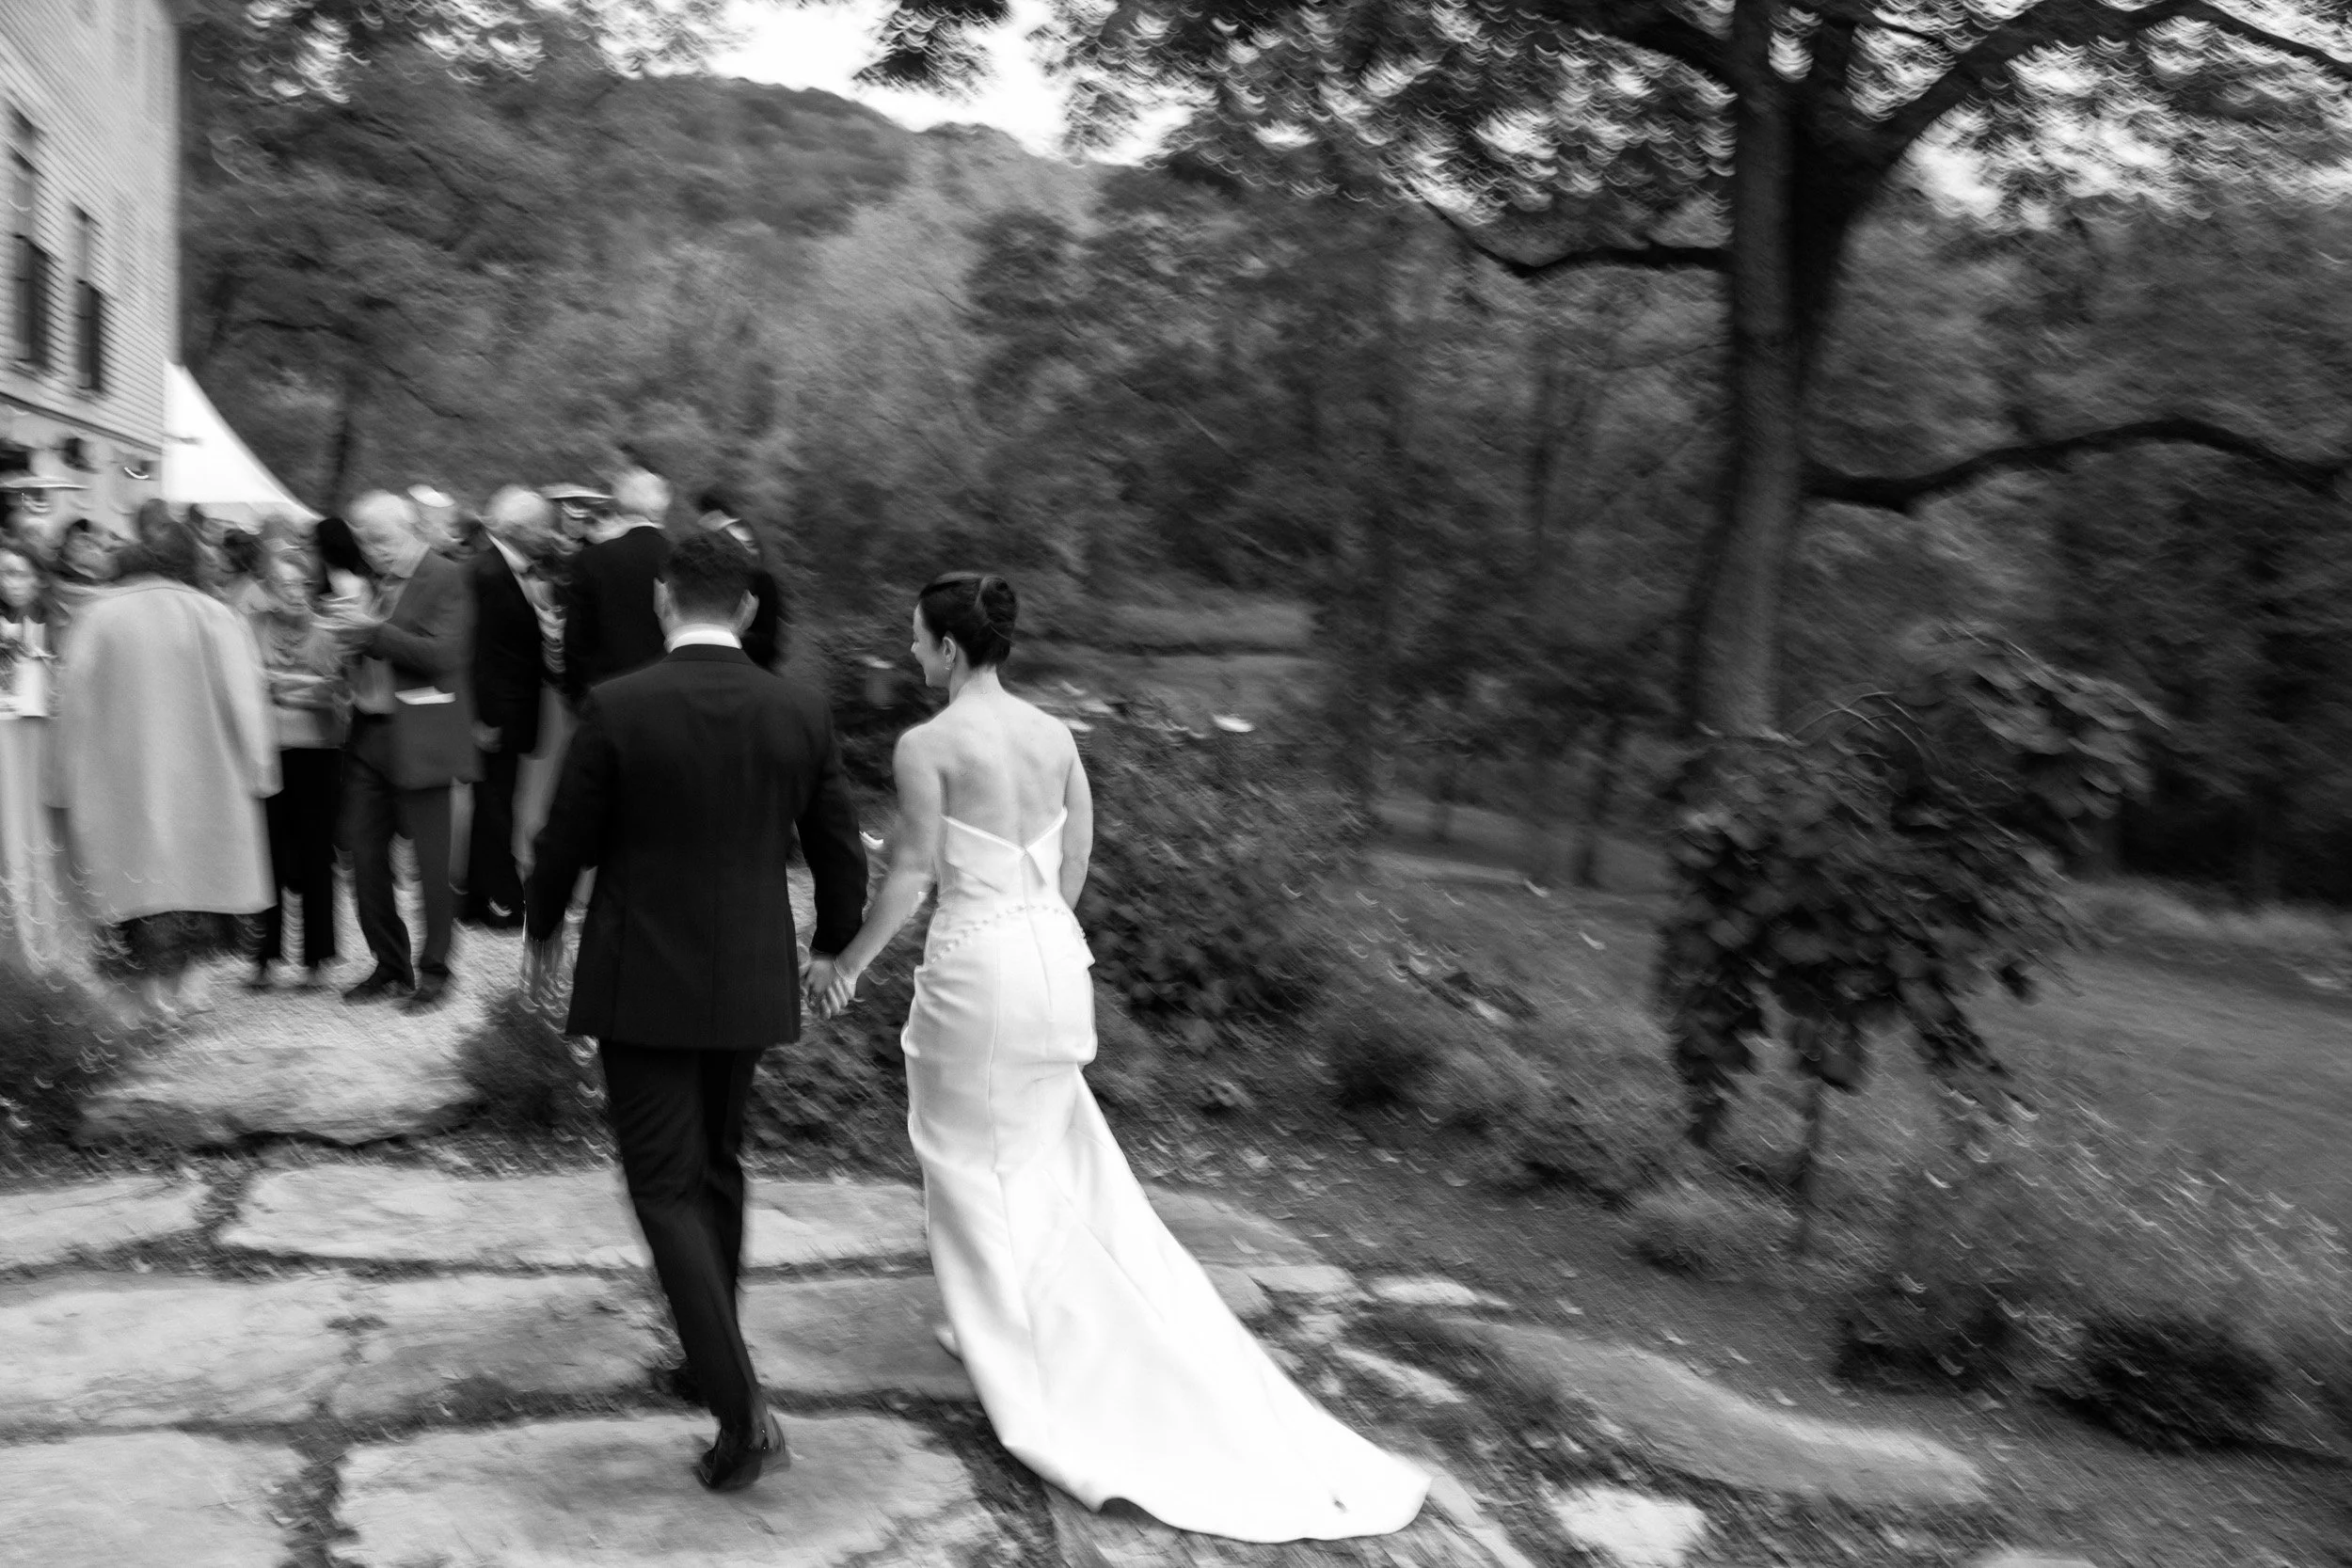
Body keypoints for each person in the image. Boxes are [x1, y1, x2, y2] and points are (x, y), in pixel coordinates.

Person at [817, 573, 1428, 1544]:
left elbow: (914, 871)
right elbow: (1077, 846)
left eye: (917, 639)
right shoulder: (1054, 734)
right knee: (1044, 1156)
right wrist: (1041, 922)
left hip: (981, 968)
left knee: (969, 1160)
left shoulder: (927, 744)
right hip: (1055, 961)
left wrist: (846, 961)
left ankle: (1032, 1356)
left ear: (946, 647)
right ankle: (1020, 1319)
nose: (910, 654)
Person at [522, 531, 867, 1494]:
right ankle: (704, 1354)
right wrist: (833, 943)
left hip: (642, 977)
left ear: (666, 600)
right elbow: (837, 846)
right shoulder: (796, 707)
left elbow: (566, 836)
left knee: (663, 1185)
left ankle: (739, 1407)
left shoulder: (620, 704)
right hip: (750, 974)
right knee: (715, 1165)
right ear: (748, 609)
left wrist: (542, 927)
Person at [51, 516, 277, 1023]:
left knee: (135, 887)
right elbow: (248, 702)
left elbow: (73, 703)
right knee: (202, 881)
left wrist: (60, 780)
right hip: (208, 779)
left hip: (120, 779)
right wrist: (261, 771)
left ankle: (147, 991)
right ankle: (189, 986)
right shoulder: (218, 616)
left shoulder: (96, 617)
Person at [328, 490, 476, 1013]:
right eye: (365, 541)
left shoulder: (446, 575)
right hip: (368, 733)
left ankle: (436, 970)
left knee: (432, 864)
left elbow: (443, 655)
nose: (372, 550)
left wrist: (374, 633)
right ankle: (390, 964)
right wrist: (344, 645)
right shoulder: (373, 584)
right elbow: (372, 649)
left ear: (411, 528)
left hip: (424, 736)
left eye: (382, 538)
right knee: (361, 855)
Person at [246, 549, 348, 990]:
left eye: (302, 584)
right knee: (265, 855)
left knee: (315, 855)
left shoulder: (326, 634)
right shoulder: (253, 629)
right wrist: (305, 687)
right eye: (285, 584)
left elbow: (337, 694)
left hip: (317, 754)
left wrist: (283, 690)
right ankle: (262, 958)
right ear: (269, 589)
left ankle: (316, 961)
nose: (295, 593)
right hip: (266, 751)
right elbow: (249, 686)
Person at [462, 486, 557, 930]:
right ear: (519, 529)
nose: (550, 535)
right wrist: (482, 717)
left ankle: (477, 894)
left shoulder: (515, 572)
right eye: (543, 526)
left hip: (513, 711)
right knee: (496, 805)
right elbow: (479, 652)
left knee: (495, 803)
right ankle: (503, 896)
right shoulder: (486, 573)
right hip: (497, 714)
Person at [0, 543, 72, 970]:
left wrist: (47, 665)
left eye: (20, 573)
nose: (12, 582)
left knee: (41, 833)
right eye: (7, 573)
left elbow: (71, 684)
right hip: (4, 737)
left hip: (40, 736)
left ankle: (48, 936)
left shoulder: (55, 621)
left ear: (38, 577)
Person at [560, 467, 672, 708]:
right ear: (662, 507)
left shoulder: (592, 559)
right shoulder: (679, 559)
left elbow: (576, 637)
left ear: (621, 505)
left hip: (606, 694)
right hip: (668, 694)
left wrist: (576, 694)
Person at [691, 486, 785, 673]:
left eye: (704, 516)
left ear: (714, 514)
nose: (701, 522)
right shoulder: (744, 530)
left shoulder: (723, 537)